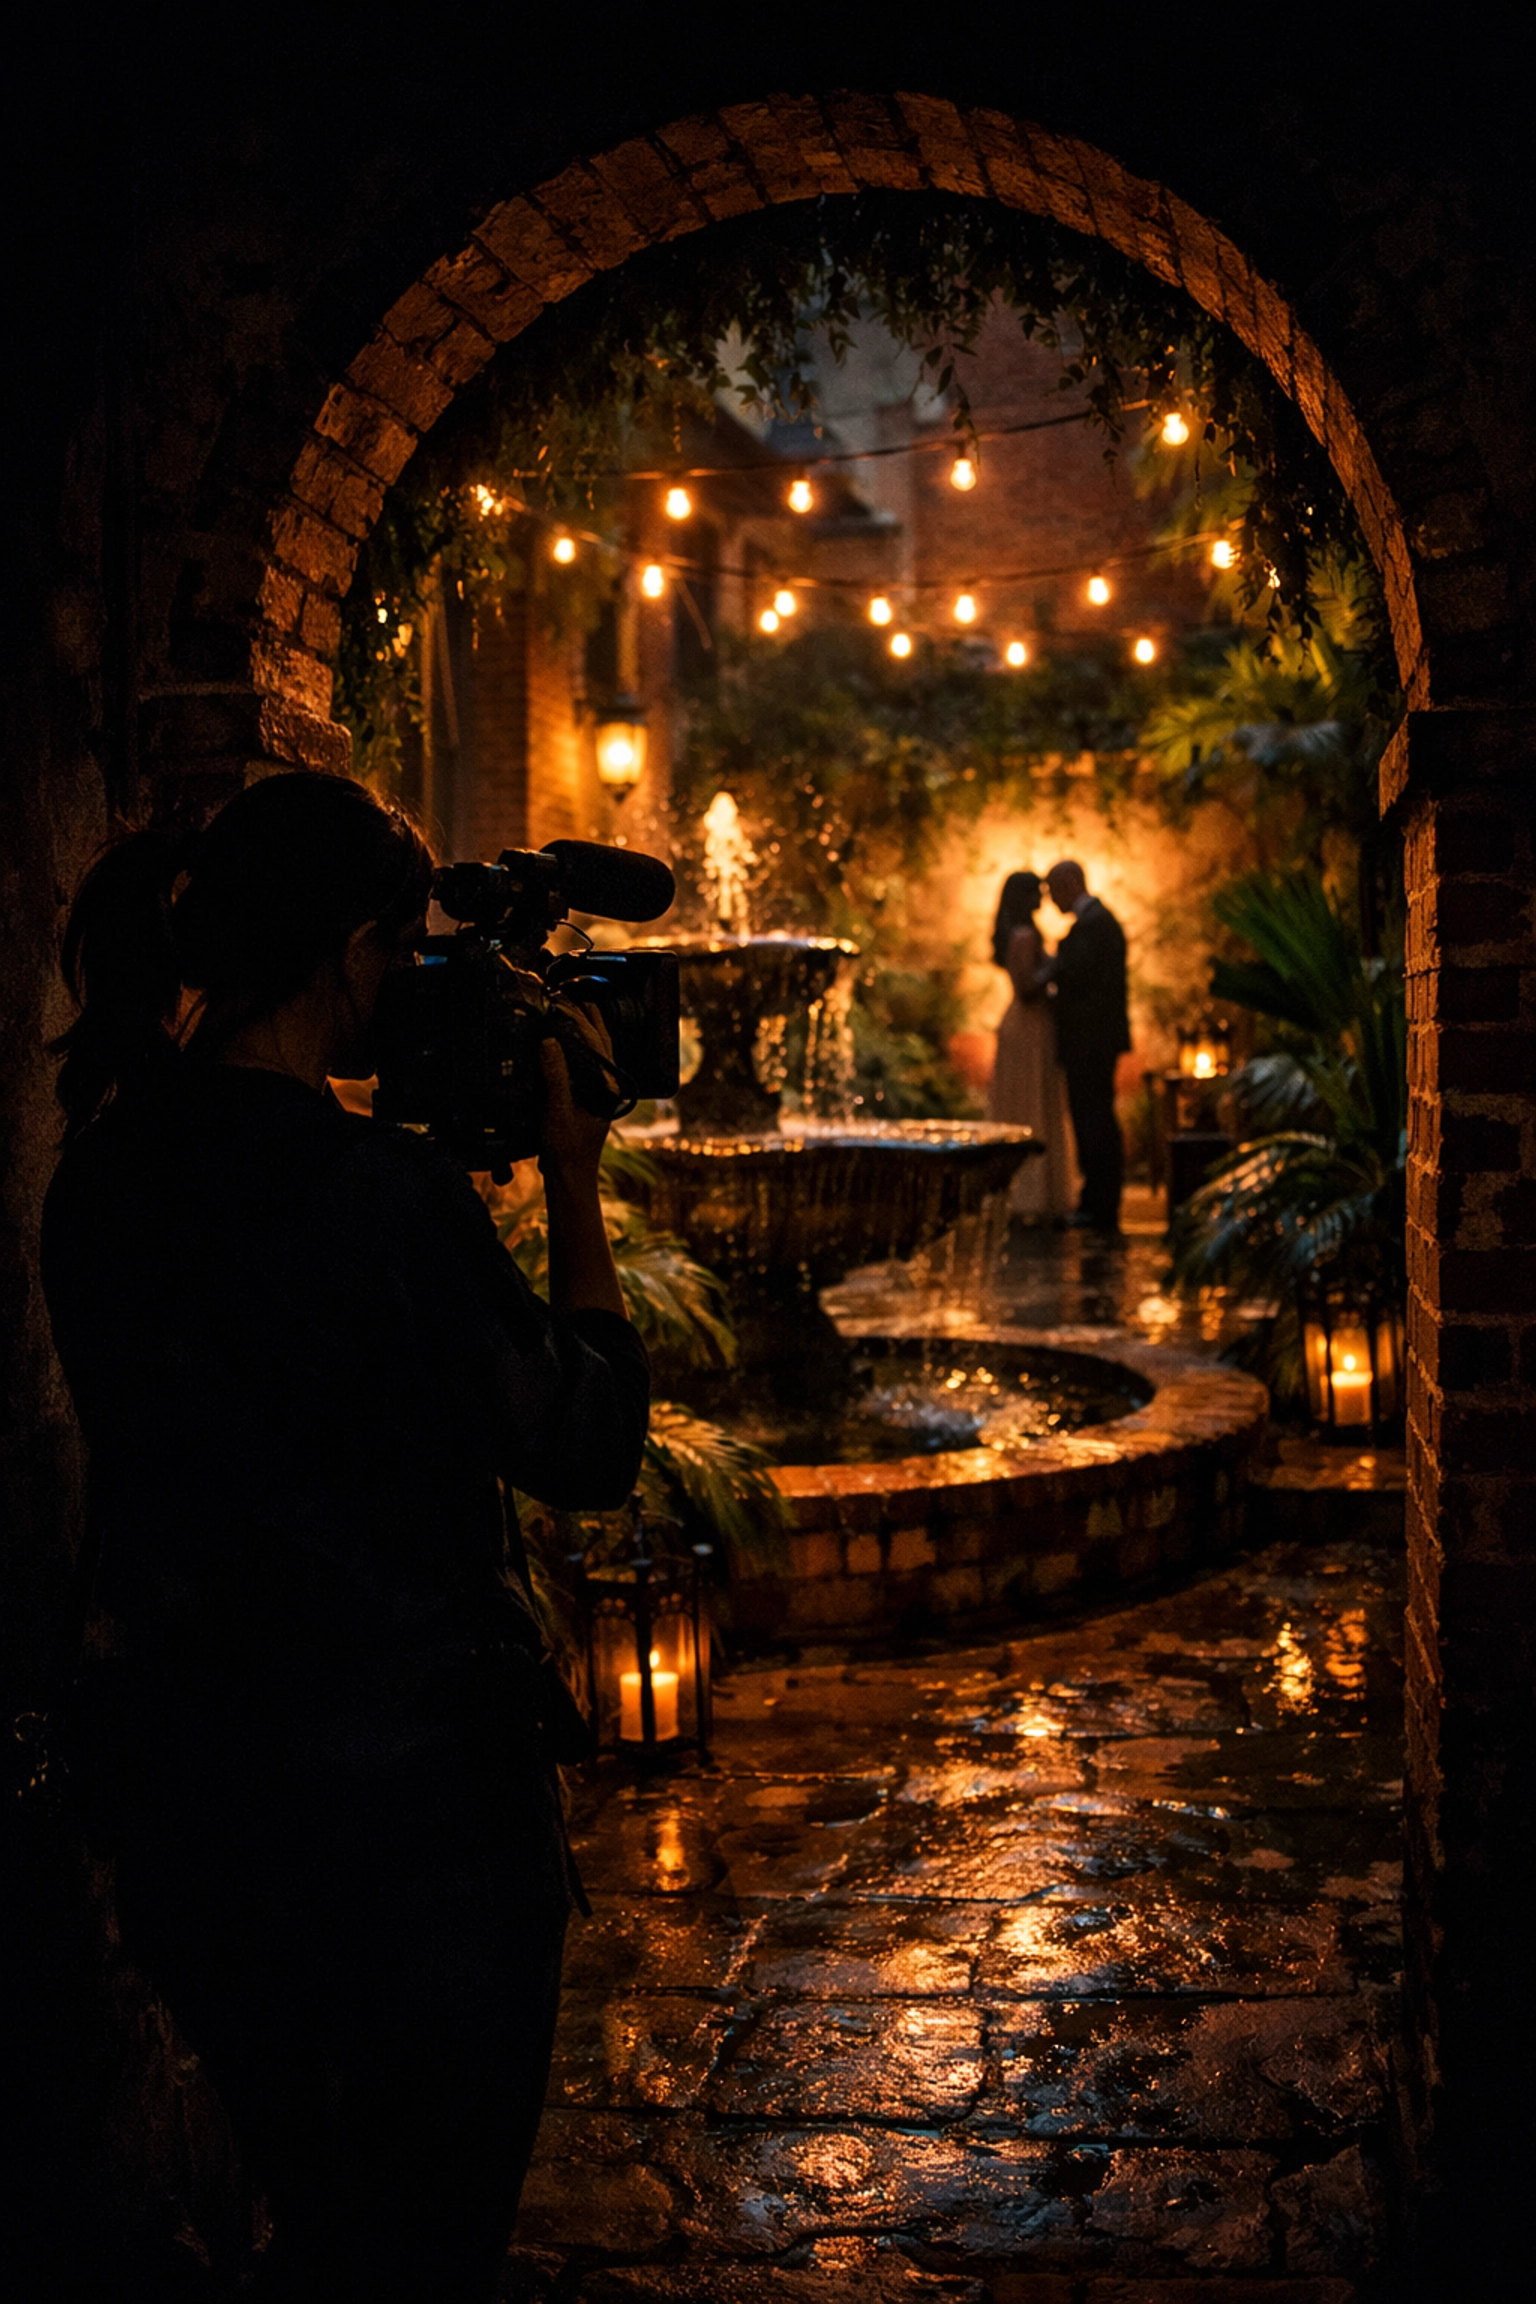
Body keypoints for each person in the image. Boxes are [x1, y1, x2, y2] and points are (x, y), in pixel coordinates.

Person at [40, 772, 649, 2301]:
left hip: (196, 1803)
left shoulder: (101, 1175)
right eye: (398, 954)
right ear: (346, 953)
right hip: (411, 1835)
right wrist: (573, 1181)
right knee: (425, 2245)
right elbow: (585, 1442)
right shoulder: (378, 1191)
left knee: (321, 2224)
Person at [1044, 859, 1131, 1235]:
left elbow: (1079, 977)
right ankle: (1097, 1201)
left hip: (1090, 1043)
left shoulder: (1095, 925)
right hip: (1093, 1042)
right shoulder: (1097, 923)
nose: (1050, 900)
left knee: (1094, 1120)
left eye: (1052, 889)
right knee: (1094, 1118)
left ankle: (1100, 1203)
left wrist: (1050, 971)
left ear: (1069, 883)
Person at [986, 869, 1075, 1220]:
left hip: (1030, 1025)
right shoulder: (1024, 935)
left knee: (1031, 1103)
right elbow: (1026, 989)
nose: (1044, 897)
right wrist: (1056, 969)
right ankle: (1030, 1196)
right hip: (1029, 1026)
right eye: (1037, 891)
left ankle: (1034, 1194)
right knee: (1030, 1105)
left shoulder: (1019, 933)